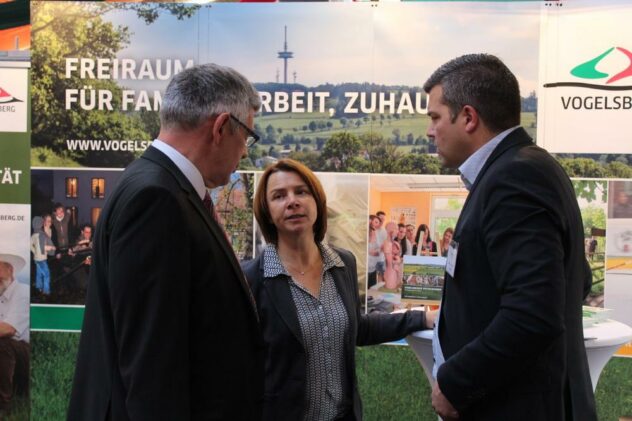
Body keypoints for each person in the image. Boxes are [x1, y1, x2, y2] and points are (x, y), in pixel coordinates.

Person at [68, 63, 265, 421]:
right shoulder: (157, 198)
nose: (244, 153)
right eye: (247, 136)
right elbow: (152, 361)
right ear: (222, 127)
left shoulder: (157, 183)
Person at [424, 54, 596, 420]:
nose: (429, 130)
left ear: (468, 118)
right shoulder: (521, 167)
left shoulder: (513, 178)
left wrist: (455, 383)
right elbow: (578, 278)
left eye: (435, 117)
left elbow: (533, 314)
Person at [241, 159, 435, 421]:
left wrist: (422, 318)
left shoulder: (343, 263)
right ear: (267, 212)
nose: (292, 201)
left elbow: (358, 327)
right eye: (279, 196)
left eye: (301, 191)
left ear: (317, 202)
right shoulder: (251, 279)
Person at [0, 255, 30, 416]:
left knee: (3, 343)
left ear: (10, 270)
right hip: (8, 360)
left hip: (25, 358)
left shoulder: (23, 292)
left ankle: (3, 405)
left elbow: (9, 329)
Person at [30, 215, 55, 295]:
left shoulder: (34, 234)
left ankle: (38, 286)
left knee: (39, 273)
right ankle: (46, 291)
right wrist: (51, 248)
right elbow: (43, 247)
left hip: (37, 258)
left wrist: (35, 252)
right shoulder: (41, 235)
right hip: (41, 259)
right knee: (46, 274)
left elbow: (30, 245)